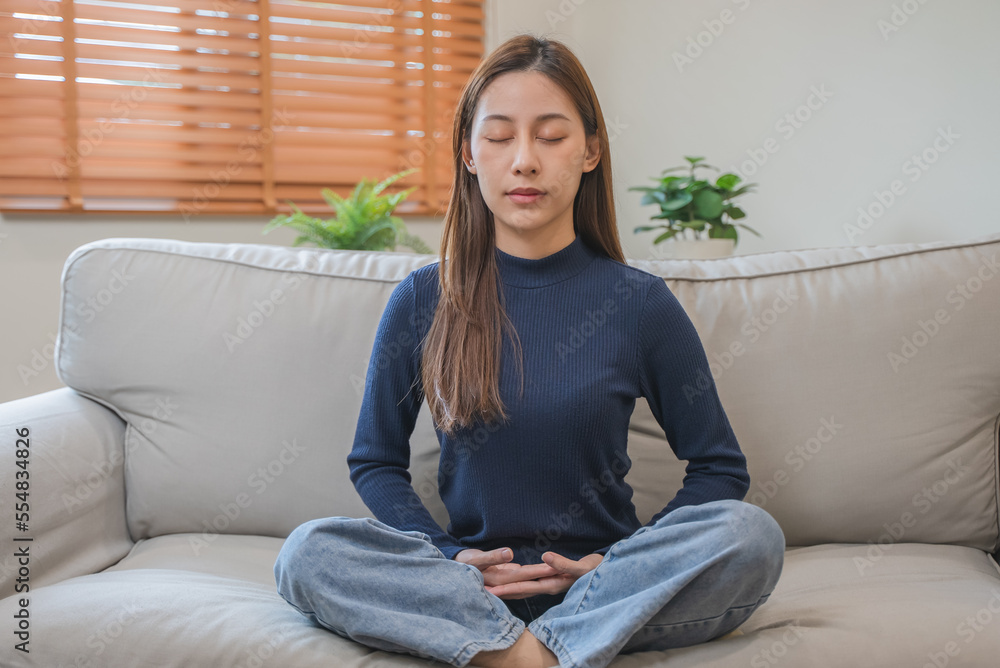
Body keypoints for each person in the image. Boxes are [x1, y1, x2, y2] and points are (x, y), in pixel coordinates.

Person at [274, 33, 785, 668]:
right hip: (465, 590)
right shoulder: (422, 298)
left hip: (603, 587)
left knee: (752, 536)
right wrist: (447, 556)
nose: (524, 161)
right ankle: (528, 652)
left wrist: (614, 563)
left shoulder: (641, 304)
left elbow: (719, 469)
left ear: (591, 150)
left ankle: (530, 652)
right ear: (468, 153)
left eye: (551, 136)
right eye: (499, 137)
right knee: (309, 552)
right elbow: (375, 461)